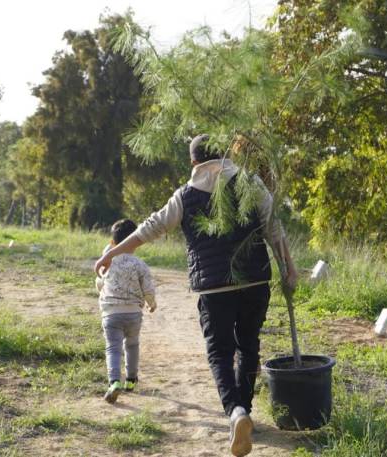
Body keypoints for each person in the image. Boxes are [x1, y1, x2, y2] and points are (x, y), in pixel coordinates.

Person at [94, 134, 298, 457]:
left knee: (219, 351)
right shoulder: (250, 182)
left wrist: (111, 254)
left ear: (193, 163)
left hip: (214, 288)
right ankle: (244, 409)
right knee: (249, 344)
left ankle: (236, 412)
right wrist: (289, 267)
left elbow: (149, 228)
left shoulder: (184, 196)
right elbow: (274, 228)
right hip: (255, 281)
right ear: (224, 154)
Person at [95, 219, 157, 404]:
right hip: (133, 314)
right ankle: (131, 380)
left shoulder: (108, 262)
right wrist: (151, 303)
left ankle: (114, 382)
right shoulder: (139, 264)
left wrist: (110, 248)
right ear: (135, 241)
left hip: (111, 313)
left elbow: (100, 283)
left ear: (113, 242)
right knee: (132, 344)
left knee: (113, 348)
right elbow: (147, 289)